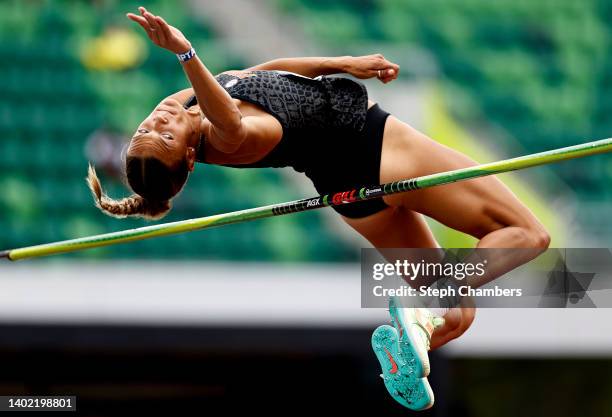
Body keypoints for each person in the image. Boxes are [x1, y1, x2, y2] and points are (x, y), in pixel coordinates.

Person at [86, 7, 550, 411]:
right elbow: (228, 113)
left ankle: (418, 333)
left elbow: (266, 72)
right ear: (189, 157)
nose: (158, 122)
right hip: (381, 151)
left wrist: (343, 63)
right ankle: (422, 311)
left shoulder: (179, 106)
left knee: (457, 305)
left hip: (349, 193)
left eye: (145, 129)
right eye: (164, 137)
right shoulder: (231, 138)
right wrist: (185, 53)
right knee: (527, 234)